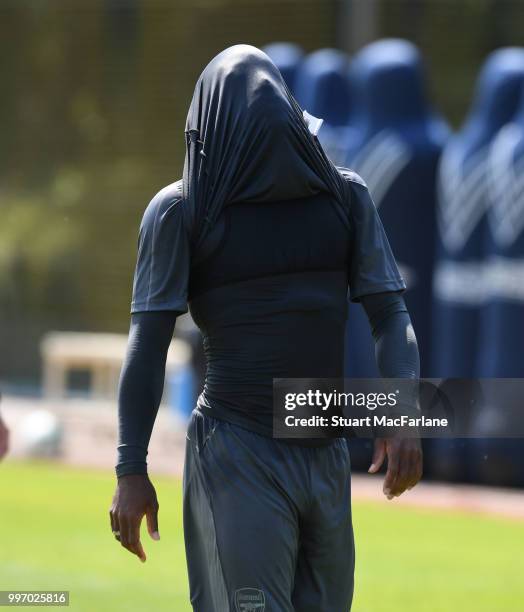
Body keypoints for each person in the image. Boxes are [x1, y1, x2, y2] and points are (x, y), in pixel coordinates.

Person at [110, 45, 422, 612]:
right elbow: (148, 344)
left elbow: (390, 313)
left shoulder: (344, 197)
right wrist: (131, 468)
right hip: (237, 452)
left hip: (323, 452)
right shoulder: (181, 212)